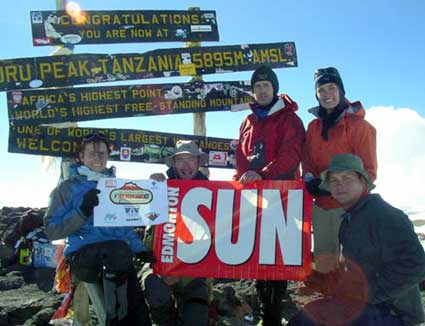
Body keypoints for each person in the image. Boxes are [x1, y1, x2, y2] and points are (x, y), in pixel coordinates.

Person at [289, 153, 425, 326]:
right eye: (334, 181)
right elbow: (356, 271)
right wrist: (321, 279)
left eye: (347, 178)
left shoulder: (385, 215)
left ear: (363, 182)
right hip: (369, 308)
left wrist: (364, 295)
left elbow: (416, 266)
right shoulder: (350, 219)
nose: (340, 185)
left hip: (394, 314)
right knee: (306, 318)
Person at [44, 133, 154, 325]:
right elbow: (52, 230)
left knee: (137, 306)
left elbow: (124, 226)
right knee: (117, 252)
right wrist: (82, 211)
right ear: (81, 156)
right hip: (83, 255)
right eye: (92, 153)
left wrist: (140, 249)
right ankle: (115, 320)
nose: (98, 158)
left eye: (102, 153)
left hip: (115, 257)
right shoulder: (67, 188)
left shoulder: (115, 186)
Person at [234, 65, 306, 326]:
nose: (262, 90)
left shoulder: (290, 119)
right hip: (255, 199)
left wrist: (263, 174)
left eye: (266, 85)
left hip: (283, 197)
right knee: (259, 253)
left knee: (277, 256)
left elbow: (291, 154)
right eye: (257, 87)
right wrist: (240, 184)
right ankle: (265, 312)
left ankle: (273, 315)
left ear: (274, 88)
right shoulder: (248, 121)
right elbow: (242, 159)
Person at [302, 67, 377, 273]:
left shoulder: (359, 127)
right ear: (316, 95)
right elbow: (307, 161)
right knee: (325, 259)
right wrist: (310, 181)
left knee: (354, 262)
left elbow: (369, 172)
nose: (327, 94)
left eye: (332, 88)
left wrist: (337, 187)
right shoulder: (313, 127)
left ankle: (354, 304)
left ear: (341, 90)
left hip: (352, 207)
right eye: (322, 90)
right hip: (322, 206)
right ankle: (330, 300)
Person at [139, 140, 210, 326]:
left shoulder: (214, 194)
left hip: (194, 270)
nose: (186, 166)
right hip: (157, 265)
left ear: (198, 162)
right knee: (155, 289)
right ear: (174, 164)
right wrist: (150, 191)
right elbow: (146, 223)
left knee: (197, 317)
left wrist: (181, 271)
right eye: (180, 160)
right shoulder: (159, 185)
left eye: (191, 160)